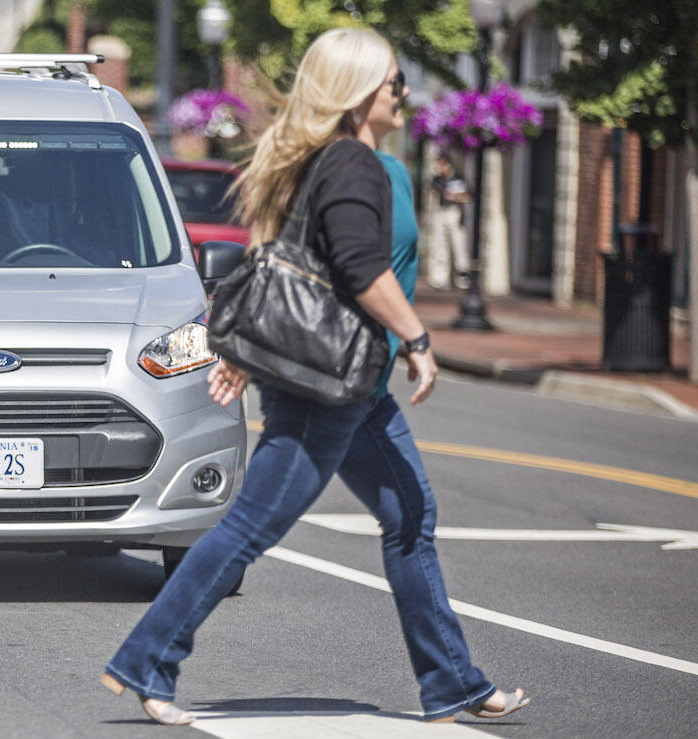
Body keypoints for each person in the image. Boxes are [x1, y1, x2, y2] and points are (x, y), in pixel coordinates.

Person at [99, 28, 530, 726]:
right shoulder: (353, 162)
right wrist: (418, 338)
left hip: (351, 385)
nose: (403, 93)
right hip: (325, 387)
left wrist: (247, 353)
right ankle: (147, 661)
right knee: (248, 529)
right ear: (361, 94)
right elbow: (359, 268)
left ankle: (452, 682)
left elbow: (287, 264)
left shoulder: (324, 161)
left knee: (410, 517)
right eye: (393, 83)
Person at [426, 153, 471, 289]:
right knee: (441, 245)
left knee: (458, 244)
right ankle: (441, 278)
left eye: (442, 165)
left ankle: (462, 277)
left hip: (454, 212)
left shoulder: (458, 178)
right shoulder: (438, 180)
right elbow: (432, 192)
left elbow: (467, 196)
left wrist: (456, 197)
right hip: (441, 212)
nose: (440, 168)